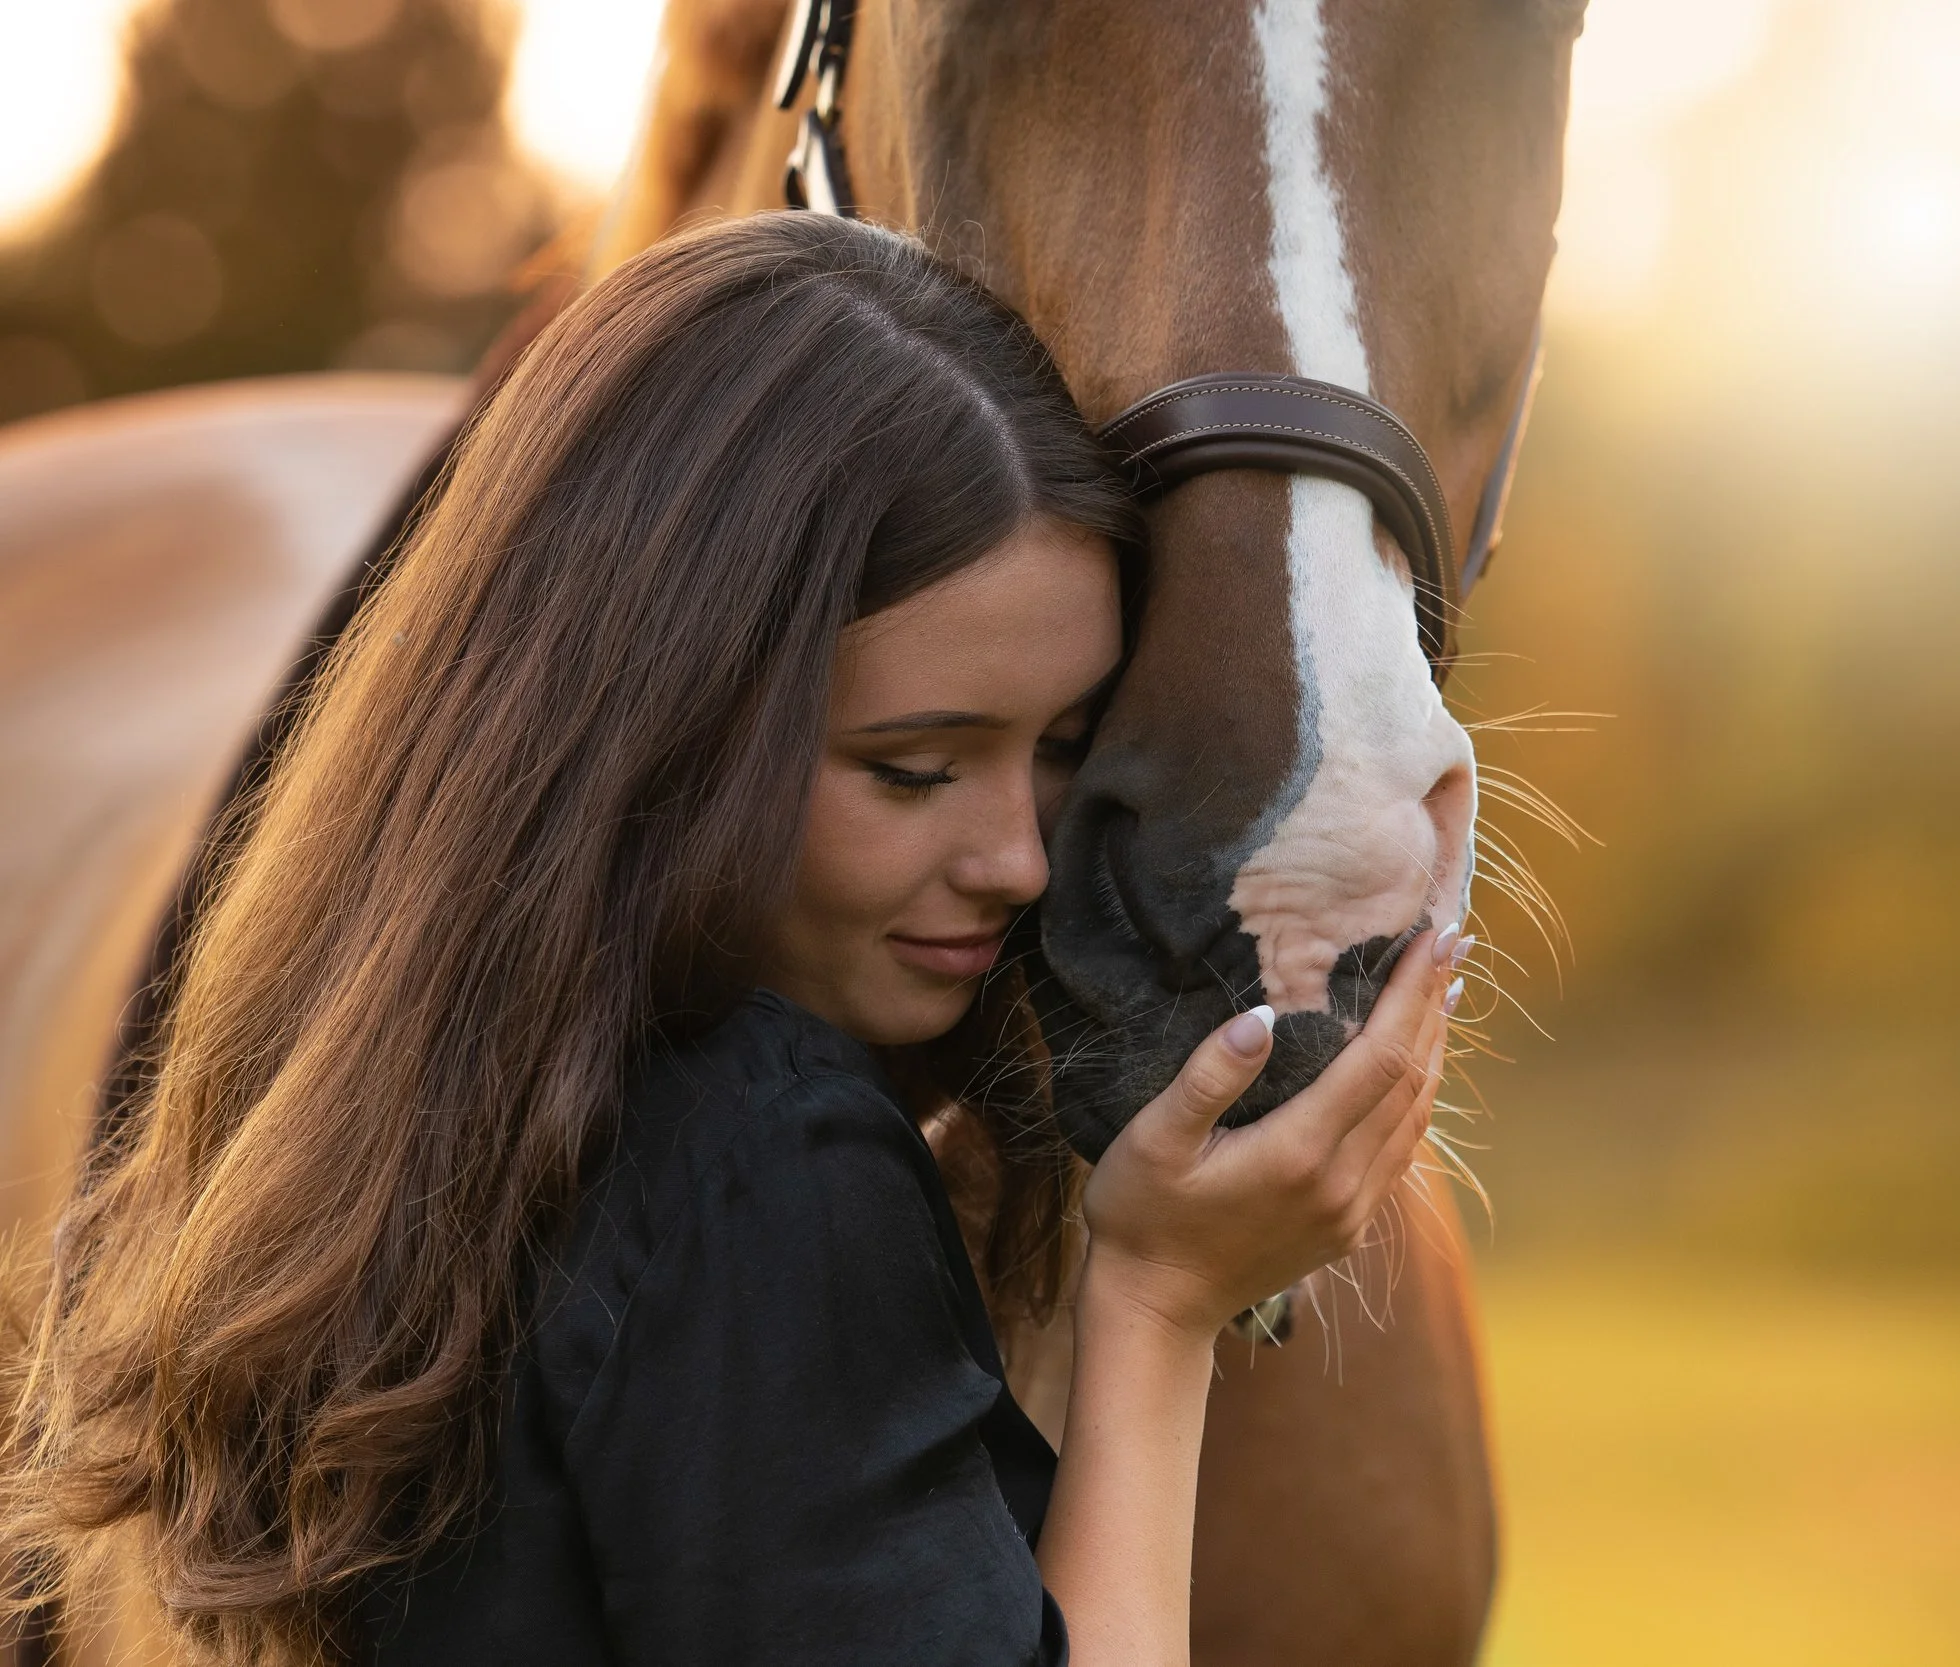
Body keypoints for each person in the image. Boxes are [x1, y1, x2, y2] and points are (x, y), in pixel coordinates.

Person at [0, 212, 1457, 1666]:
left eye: (1064, 751)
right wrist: (1160, 1299)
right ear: (669, 738)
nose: (1018, 857)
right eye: (913, 767)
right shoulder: (762, 1168)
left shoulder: (409, 1131)